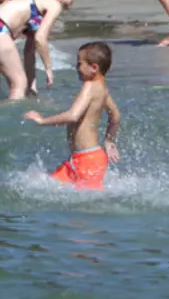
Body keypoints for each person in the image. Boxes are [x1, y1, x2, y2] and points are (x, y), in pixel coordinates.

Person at [24, 41, 121, 191]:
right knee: (44, 188)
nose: (77, 68)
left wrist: (42, 120)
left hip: (87, 160)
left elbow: (72, 116)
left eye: (79, 64)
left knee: (85, 207)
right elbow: (115, 115)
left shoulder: (89, 87)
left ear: (94, 67)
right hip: (82, 158)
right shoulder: (102, 89)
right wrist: (109, 141)